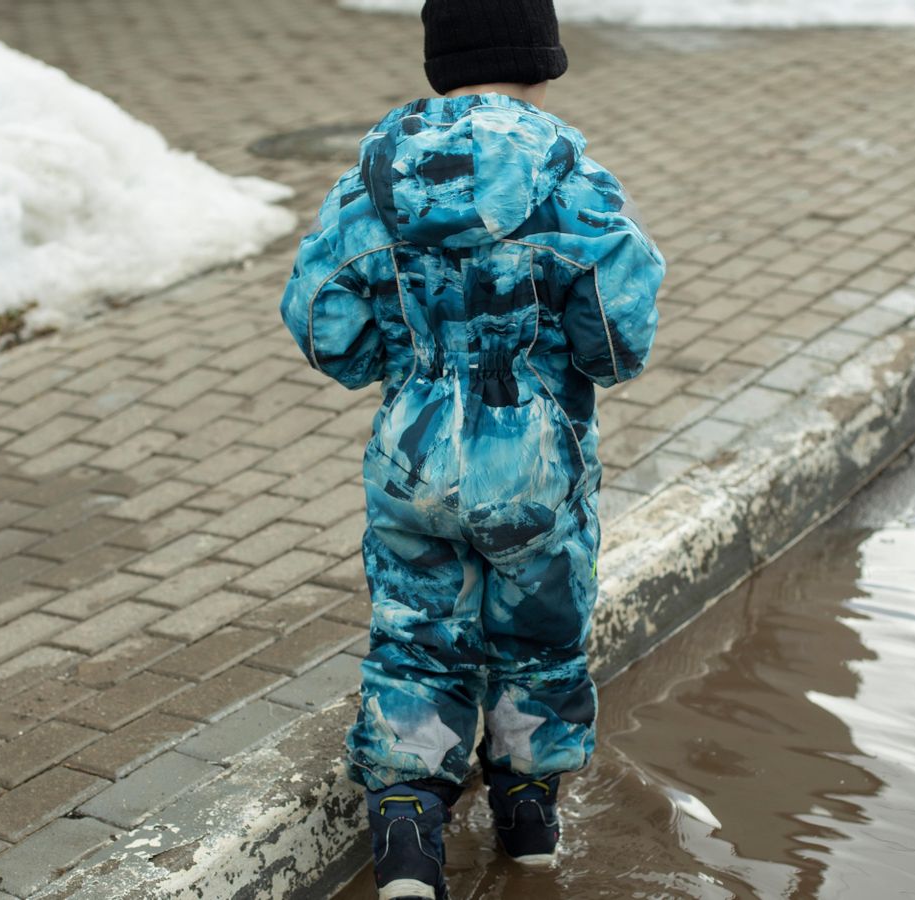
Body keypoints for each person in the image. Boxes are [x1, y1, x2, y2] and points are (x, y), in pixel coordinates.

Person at [280, 1, 664, 896]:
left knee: (416, 637)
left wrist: (399, 365)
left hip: (413, 459)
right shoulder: (568, 171)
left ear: (440, 61)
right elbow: (619, 322)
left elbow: (319, 311)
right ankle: (528, 825)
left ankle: (410, 842)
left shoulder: (376, 174)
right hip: (533, 465)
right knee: (539, 639)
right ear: (543, 58)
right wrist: (575, 359)